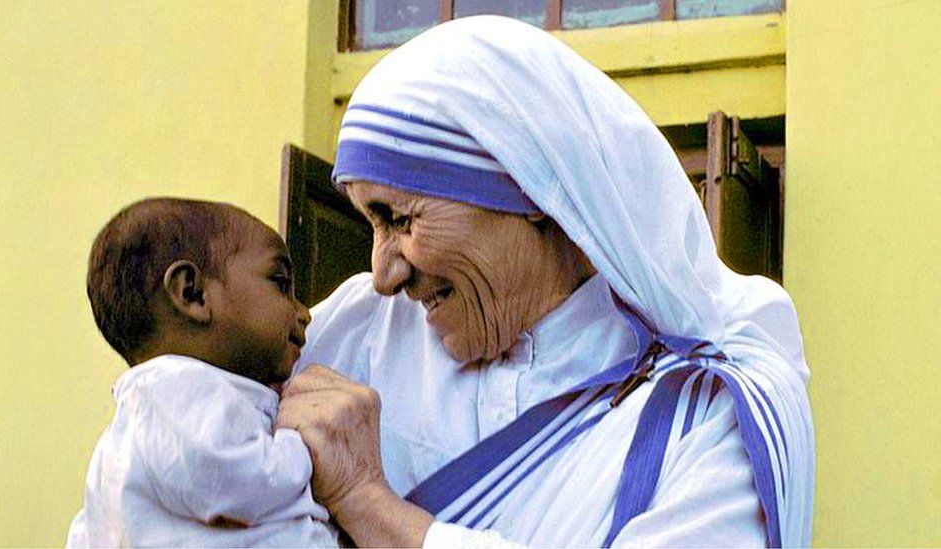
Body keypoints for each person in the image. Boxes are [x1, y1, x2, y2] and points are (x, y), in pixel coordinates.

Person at [279, 15, 814, 548]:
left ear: (530, 191)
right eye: (370, 223)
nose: (383, 275)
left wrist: (368, 504)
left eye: (399, 218)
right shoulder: (358, 333)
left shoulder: (712, 405)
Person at [67, 198, 338, 547]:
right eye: (280, 282)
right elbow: (243, 479)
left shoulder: (159, 415)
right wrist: (304, 440)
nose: (304, 313)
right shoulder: (174, 389)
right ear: (191, 293)